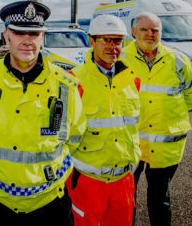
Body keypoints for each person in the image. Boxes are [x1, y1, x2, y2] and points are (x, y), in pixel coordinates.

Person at [0, 0, 87, 226]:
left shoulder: (65, 85)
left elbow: (75, 136)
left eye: (34, 33)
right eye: (19, 32)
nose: (27, 40)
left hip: (48, 201)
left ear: (42, 37)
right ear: (6, 36)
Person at [122, 12, 192, 226]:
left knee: (160, 199)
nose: (150, 34)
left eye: (155, 30)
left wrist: (168, 111)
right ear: (133, 32)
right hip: (130, 144)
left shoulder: (178, 60)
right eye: (144, 29)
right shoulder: (120, 59)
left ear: (161, 32)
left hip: (165, 146)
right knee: (126, 197)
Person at [68, 15, 141, 226]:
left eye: (117, 41)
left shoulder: (132, 79)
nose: (113, 47)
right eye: (106, 40)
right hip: (86, 181)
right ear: (91, 41)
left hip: (123, 180)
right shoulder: (74, 80)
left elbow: (133, 126)